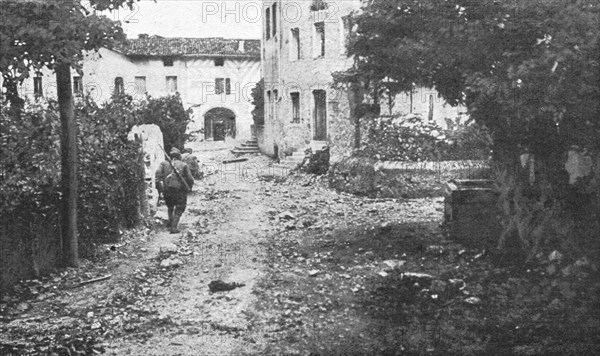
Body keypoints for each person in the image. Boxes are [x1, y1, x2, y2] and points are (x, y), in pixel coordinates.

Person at [155, 147, 194, 233]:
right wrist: (189, 188)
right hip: (179, 190)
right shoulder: (183, 165)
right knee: (180, 207)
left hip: (167, 190)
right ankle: (174, 227)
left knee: (170, 206)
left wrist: (160, 190)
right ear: (179, 156)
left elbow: (157, 177)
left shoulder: (163, 164)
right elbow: (190, 179)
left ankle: (170, 222)